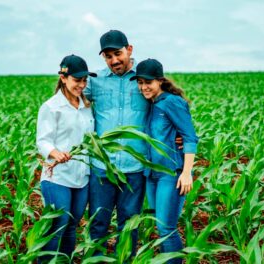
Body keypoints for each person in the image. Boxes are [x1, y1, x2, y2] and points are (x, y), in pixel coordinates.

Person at [84, 30, 150, 255]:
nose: (114, 61)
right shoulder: (95, 81)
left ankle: (126, 259)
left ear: (129, 49)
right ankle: (95, 259)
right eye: (108, 56)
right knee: (98, 223)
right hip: (102, 167)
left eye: (117, 54)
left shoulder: (145, 79)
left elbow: (166, 103)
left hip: (134, 167)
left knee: (129, 224)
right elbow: (71, 100)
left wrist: (179, 135)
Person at [130, 58, 199, 263]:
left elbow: (189, 137)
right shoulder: (151, 104)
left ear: (159, 80)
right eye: (140, 82)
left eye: (148, 82)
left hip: (171, 174)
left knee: (166, 227)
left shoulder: (172, 102)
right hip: (152, 175)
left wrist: (186, 173)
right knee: (159, 225)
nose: (143, 87)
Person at [36, 54, 96, 262]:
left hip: (82, 176)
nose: (81, 85)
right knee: (57, 225)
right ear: (63, 78)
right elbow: (42, 140)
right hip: (57, 177)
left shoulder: (87, 106)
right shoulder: (51, 107)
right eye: (77, 80)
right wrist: (55, 153)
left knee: (72, 226)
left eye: (84, 80)